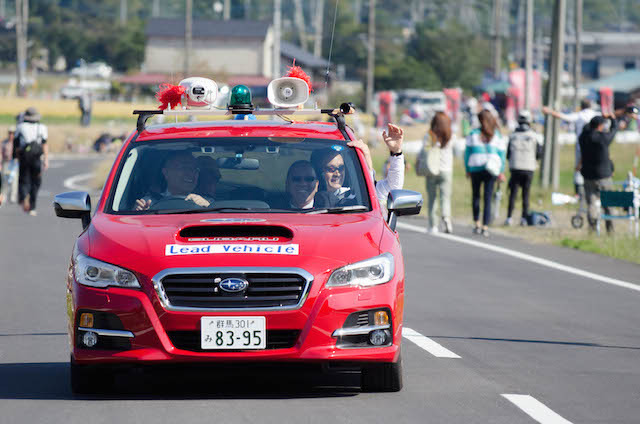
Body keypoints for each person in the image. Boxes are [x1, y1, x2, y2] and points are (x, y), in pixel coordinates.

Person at [311, 123, 405, 211]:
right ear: (318, 172)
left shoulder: (360, 195)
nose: (337, 173)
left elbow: (393, 187)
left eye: (341, 168)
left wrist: (396, 152)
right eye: (331, 169)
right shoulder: (305, 197)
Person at [464, 109, 507, 237]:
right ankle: (485, 226)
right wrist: (501, 171)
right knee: (488, 198)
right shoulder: (497, 135)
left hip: (475, 167)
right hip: (492, 169)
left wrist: (467, 168)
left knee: (476, 196)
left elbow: (467, 153)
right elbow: (502, 155)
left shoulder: (473, 133)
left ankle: (477, 222)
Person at [542, 99, 598, 196]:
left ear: (581, 106)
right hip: (595, 146)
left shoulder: (579, 115)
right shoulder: (596, 114)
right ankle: (595, 191)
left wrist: (549, 111)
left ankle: (578, 192)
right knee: (595, 167)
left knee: (578, 168)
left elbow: (563, 116)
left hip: (581, 146)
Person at [579, 115, 618, 233]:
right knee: (609, 203)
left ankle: (592, 228)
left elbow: (585, 129)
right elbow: (613, 131)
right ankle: (610, 230)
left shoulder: (583, 138)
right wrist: (613, 120)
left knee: (591, 203)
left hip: (588, 175)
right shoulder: (603, 138)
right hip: (604, 176)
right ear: (600, 126)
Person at [135, 152, 212, 211]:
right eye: (184, 168)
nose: (191, 173)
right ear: (166, 172)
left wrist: (209, 208)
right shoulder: (150, 202)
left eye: (195, 169)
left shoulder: (209, 202)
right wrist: (142, 214)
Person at [505, 110, 543, 226]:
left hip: (515, 167)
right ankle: (524, 218)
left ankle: (509, 217)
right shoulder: (534, 135)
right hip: (528, 168)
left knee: (513, 193)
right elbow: (539, 153)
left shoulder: (512, 135)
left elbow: (508, 154)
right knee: (526, 194)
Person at [13, 108, 49, 216]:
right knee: (36, 181)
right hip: (37, 157)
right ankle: (32, 206)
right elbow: (44, 144)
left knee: (24, 179)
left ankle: (24, 198)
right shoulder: (42, 128)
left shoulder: (20, 127)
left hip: (24, 157)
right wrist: (46, 159)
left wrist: (15, 157)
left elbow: (16, 143)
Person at [424, 111, 454, 234]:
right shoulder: (450, 135)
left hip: (432, 169)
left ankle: (433, 225)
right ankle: (446, 218)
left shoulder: (430, 135)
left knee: (432, 198)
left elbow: (425, 150)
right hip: (446, 169)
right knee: (445, 197)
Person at [1, 127, 18, 206]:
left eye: (13, 133)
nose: (11, 135)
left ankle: (13, 197)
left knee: (14, 180)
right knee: (4, 180)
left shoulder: (16, 143)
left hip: (14, 164)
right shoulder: (4, 142)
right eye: (10, 133)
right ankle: (3, 196)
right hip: (6, 163)